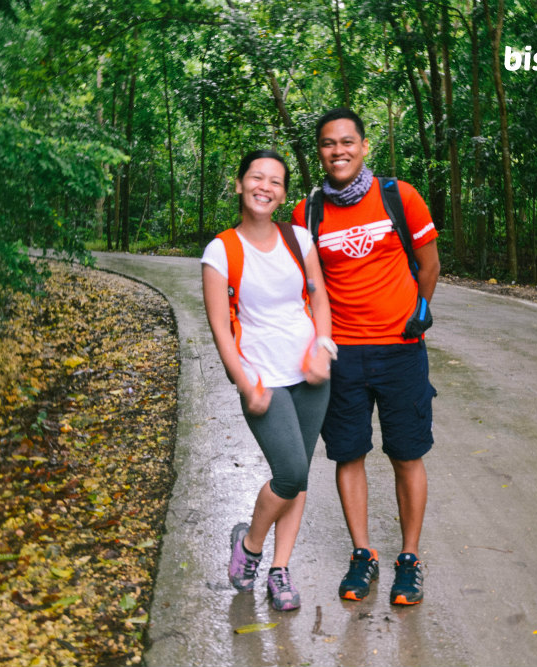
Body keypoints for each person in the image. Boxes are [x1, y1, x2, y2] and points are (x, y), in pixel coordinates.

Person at [291, 108, 440, 605]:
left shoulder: (400, 196)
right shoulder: (307, 214)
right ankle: (362, 554)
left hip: (401, 350)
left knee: (406, 453)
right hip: (343, 356)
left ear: (364, 145)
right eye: (329, 144)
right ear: (320, 152)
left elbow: (429, 262)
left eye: (347, 141)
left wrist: (419, 312)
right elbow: (305, 285)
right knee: (348, 453)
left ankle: (410, 559)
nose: (339, 151)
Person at [201, 149, 334, 612]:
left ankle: (280, 570)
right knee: (290, 472)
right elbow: (220, 326)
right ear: (239, 184)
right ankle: (251, 547)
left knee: (299, 477)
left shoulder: (299, 239)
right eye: (256, 177)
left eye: (275, 181)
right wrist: (244, 382)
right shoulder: (221, 250)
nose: (265, 186)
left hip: (311, 375)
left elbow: (319, 300)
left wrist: (324, 348)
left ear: (283, 193)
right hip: (263, 380)